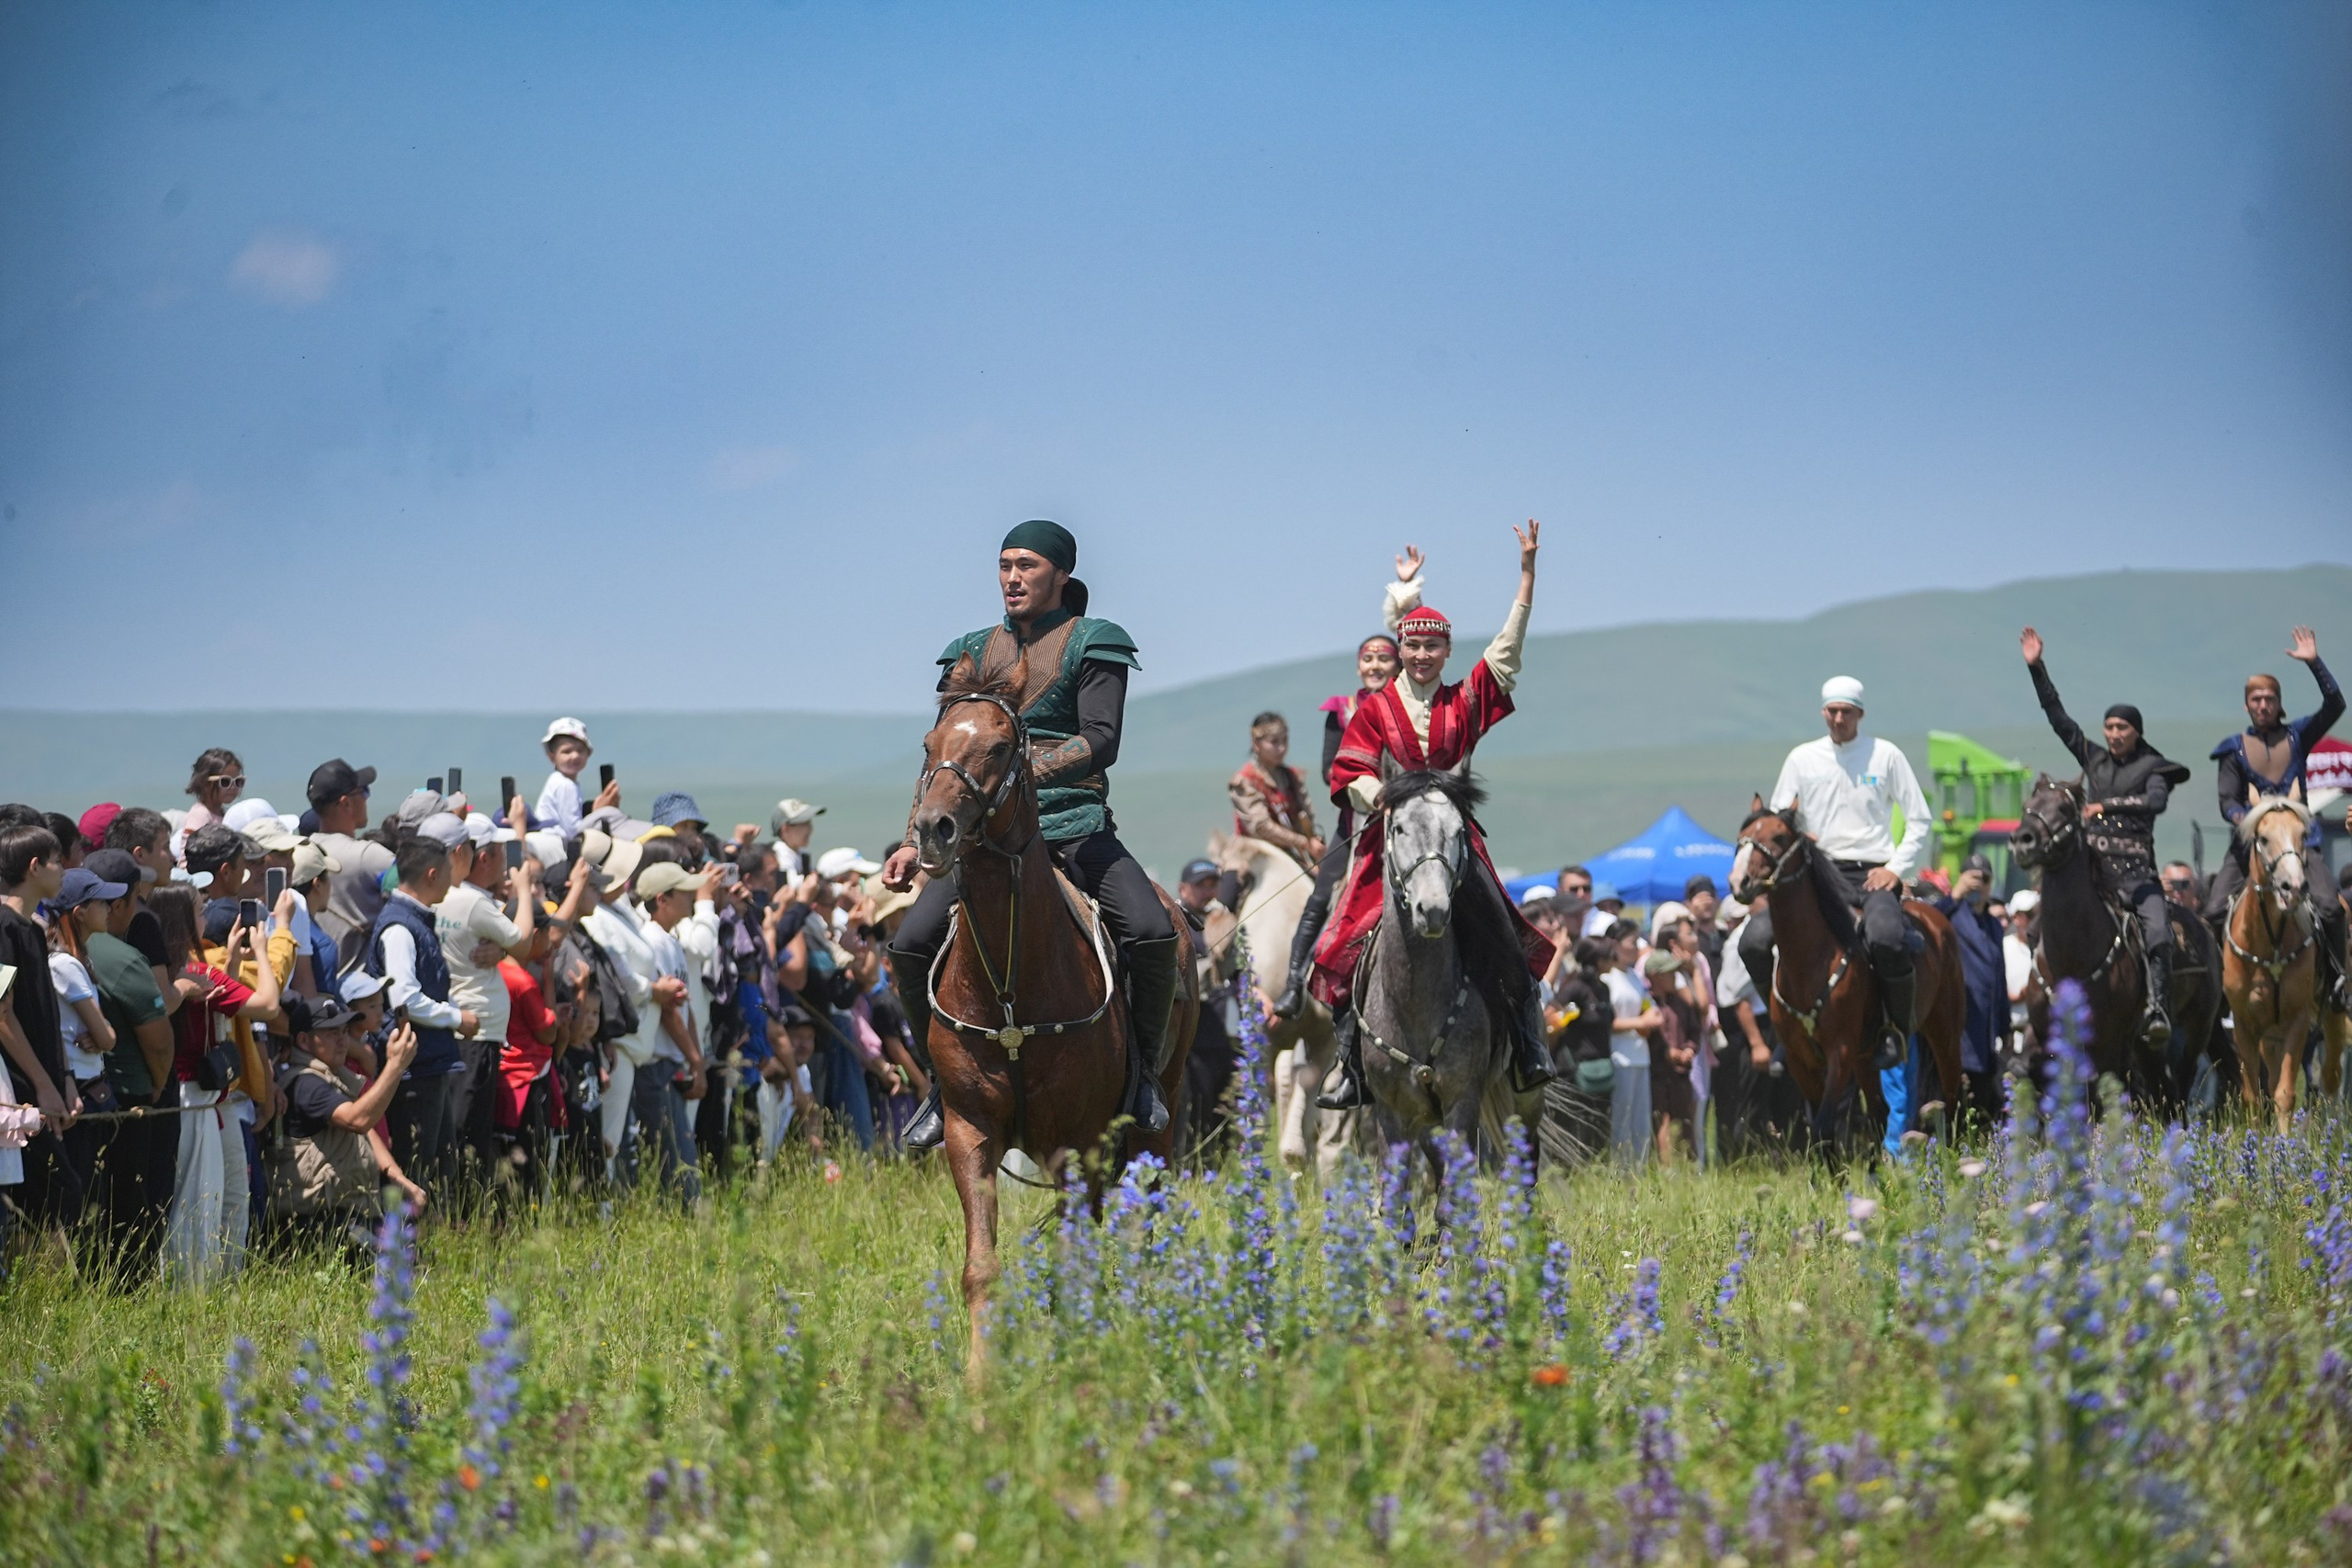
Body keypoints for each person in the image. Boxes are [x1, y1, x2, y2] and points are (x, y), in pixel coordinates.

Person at [883, 519, 1182, 1149]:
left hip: (1073, 827)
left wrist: (1021, 770)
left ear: (1061, 574)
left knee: (1153, 932)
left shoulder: (1094, 642)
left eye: (1028, 566)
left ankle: (1143, 1078)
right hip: (985, 844)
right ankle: (940, 1086)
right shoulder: (970, 651)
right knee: (909, 945)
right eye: (1005, 565)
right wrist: (913, 838)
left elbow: (1102, 739)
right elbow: (941, 756)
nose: (1013, 578)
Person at [1311, 524, 1557, 1109]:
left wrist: (1526, 575)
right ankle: (1351, 1065)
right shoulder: (1375, 709)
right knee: (1340, 946)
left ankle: (1527, 1047)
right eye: (1414, 647)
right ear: (1402, 650)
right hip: (1389, 845)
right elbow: (1348, 770)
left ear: (1447, 653)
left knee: (1509, 941)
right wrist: (1382, 796)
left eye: (1433, 648)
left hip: (1455, 846)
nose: (1422, 656)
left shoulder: (1464, 701)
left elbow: (1506, 654)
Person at [1737, 675, 1934, 1073]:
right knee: (1753, 942)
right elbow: (1780, 820)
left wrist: (1894, 870)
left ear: (1860, 713)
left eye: (1846, 711)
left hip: (1871, 873)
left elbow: (1919, 819)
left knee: (1887, 938)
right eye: (1832, 711)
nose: (1839, 718)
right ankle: (1784, 1029)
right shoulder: (1802, 758)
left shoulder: (1886, 755)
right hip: (1815, 874)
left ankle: (1893, 1031)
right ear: (1823, 712)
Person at [2019, 627, 2193, 1043]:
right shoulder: (2094, 759)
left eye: (2122, 727)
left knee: (2158, 933)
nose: (2114, 734)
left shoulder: (2153, 767)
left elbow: (2155, 802)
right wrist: (2037, 668)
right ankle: (2042, 1004)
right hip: (2094, 876)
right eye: (2109, 726)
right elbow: (2058, 718)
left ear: (2136, 731)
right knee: (2036, 928)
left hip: (2137, 877)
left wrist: (2105, 806)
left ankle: (2156, 1008)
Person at [1270, 576, 1407, 1019]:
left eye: (1384, 658)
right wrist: (1368, 791)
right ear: (1358, 666)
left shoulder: (1408, 709)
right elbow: (1331, 769)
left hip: (1408, 819)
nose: (1375, 665)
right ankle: (1294, 983)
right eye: (1368, 658)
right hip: (1356, 822)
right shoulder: (1342, 710)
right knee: (1322, 895)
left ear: (1398, 665)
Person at [2201, 626, 2346, 1013]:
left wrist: (2314, 663)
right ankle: (2215, 991)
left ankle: (2336, 982)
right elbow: (2227, 802)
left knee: (2331, 908)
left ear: (2279, 704)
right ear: (2246, 705)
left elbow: (2336, 704)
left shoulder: (2299, 736)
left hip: (2300, 845)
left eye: (2269, 699)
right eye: (2256, 699)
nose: (2263, 705)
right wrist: (2252, 820)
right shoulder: (2233, 750)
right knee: (2213, 911)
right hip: (2249, 847)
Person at [362, 818, 480, 1201]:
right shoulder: (400, 928)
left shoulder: (412, 921)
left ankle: (431, 1238)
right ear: (432, 874)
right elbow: (405, 1000)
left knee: (440, 1168)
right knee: (417, 1169)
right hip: (415, 1068)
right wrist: (456, 1018)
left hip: (427, 1062)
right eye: (447, 872)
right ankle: (405, 1239)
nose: (451, 881)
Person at [268, 998, 425, 1247]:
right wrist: (396, 1066)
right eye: (332, 1033)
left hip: (345, 1214)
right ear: (304, 1041)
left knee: (408, 1254)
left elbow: (366, 1132)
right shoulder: (306, 1083)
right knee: (391, 1259)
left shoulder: (332, 1076)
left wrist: (397, 1177)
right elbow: (358, 1120)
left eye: (344, 1031)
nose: (343, 1041)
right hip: (314, 1222)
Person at [0, 822, 84, 1239]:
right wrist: (43, 1085)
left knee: (58, 1200)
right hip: (20, 1093)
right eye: (56, 862)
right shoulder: (3, 928)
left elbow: (48, 1015)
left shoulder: (32, 928)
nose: (63, 870)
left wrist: (64, 1078)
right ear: (34, 867)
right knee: (53, 1200)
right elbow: (2, 1013)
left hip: (45, 1089)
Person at [1934, 852, 2009, 1126]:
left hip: (1986, 1029)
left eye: (1984, 879)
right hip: (1959, 1025)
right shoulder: (1951, 914)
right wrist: (1956, 894)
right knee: (1954, 1098)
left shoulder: (1994, 925)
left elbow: (1999, 978)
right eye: (1972, 878)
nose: (1978, 884)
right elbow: (1930, 920)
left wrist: (2005, 1026)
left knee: (1983, 1104)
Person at [306, 758, 397, 974]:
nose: (366, 799)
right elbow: (424, 888)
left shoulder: (301, 851)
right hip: (364, 987)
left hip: (317, 984)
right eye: (364, 791)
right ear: (346, 803)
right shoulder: (368, 856)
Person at [1227, 713, 1324, 874]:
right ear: (1256, 744)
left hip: (1291, 852)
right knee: (1231, 887)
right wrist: (1304, 843)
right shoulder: (1244, 780)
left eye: (1285, 740)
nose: (1282, 748)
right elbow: (1261, 827)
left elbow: (1306, 815)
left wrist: (1312, 840)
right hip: (1251, 853)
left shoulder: (1292, 776)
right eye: (1274, 742)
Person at [537, 717, 621, 841]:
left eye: (580, 751)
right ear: (552, 757)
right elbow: (573, 830)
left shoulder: (559, 780)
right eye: (567, 751)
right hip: (556, 843)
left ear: (588, 754)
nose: (575, 756)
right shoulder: (566, 785)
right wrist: (597, 814)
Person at [178, 748, 245, 847]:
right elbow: (189, 851)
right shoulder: (200, 815)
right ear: (204, 783)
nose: (233, 787)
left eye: (238, 781)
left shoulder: (222, 814)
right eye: (225, 781)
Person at [2003, 887, 2039, 1052]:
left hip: (2037, 1041)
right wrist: (2018, 996)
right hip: (2009, 1040)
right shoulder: (2004, 947)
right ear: (2016, 918)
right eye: (2031, 915)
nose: (2036, 920)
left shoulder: (2046, 952)